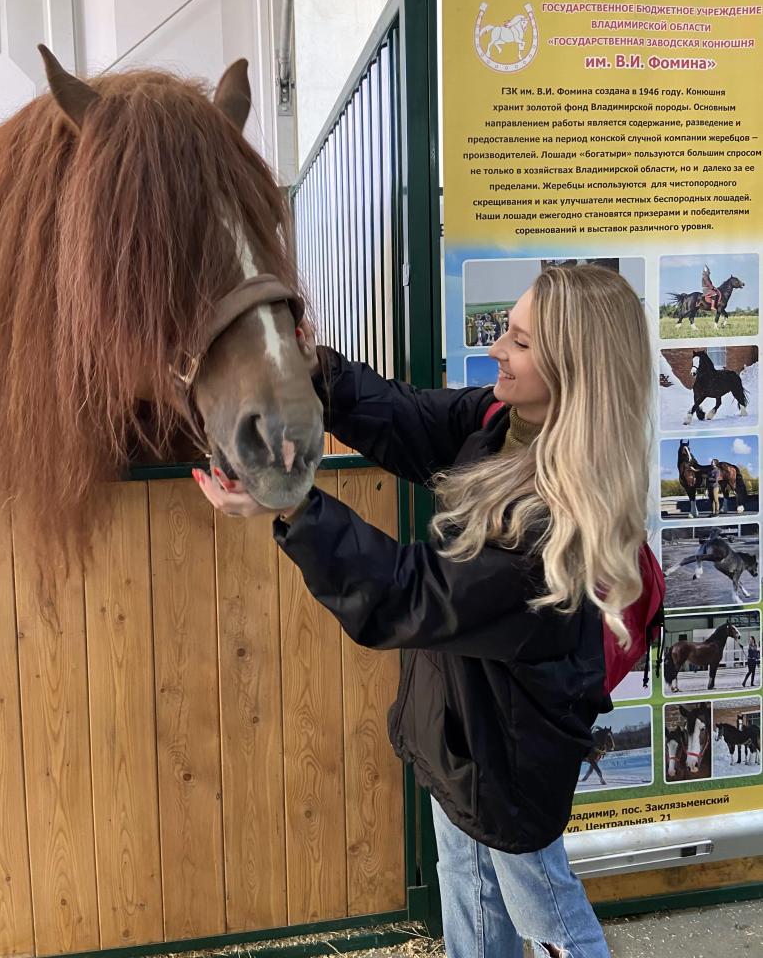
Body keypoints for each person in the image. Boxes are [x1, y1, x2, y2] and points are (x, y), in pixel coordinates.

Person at [194, 264, 652, 958]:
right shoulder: (505, 421)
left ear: (573, 369)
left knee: (549, 920)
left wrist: (295, 506)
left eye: (521, 342)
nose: (498, 347)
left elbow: (410, 595)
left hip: (509, 762)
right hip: (462, 736)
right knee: (469, 897)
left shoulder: (554, 524)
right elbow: (407, 419)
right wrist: (306, 367)